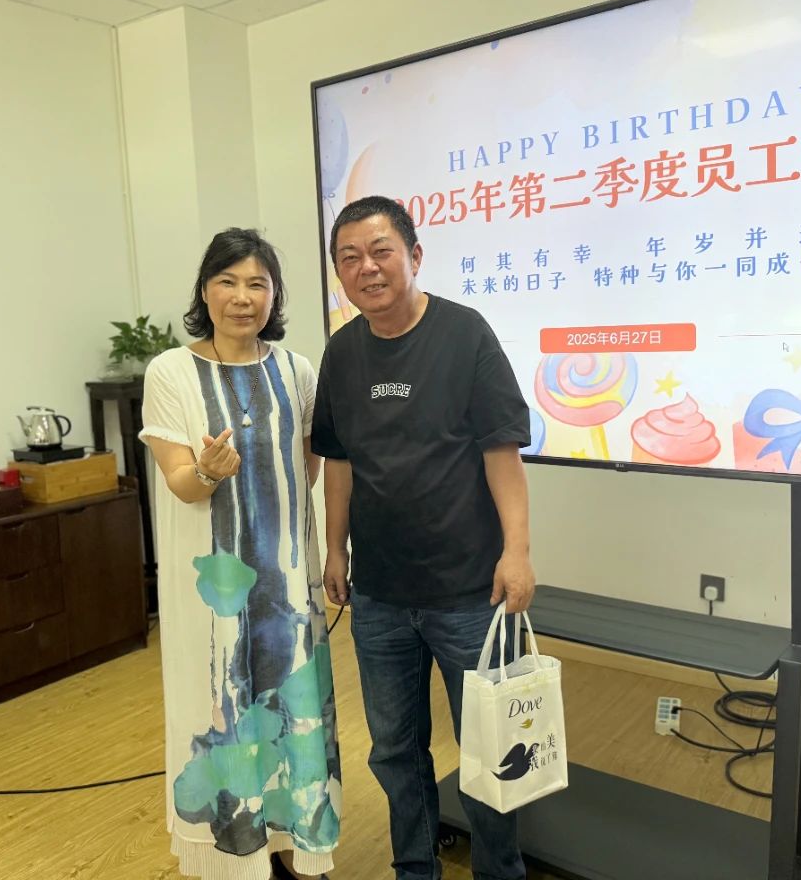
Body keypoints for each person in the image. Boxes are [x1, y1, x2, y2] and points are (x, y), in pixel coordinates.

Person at [310, 196, 535, 880]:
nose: (367, 268)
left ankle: (500, 871)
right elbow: (340, 462)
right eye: (349, 258)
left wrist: (517, 551)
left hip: (469, 591)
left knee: (491, 751)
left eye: (380, 251)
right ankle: (414, 869)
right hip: (380, 595)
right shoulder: (342, 352)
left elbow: (501, 452)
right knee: (394, 750)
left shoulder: (465, 334)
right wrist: (335, 548)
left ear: (414, 255)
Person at [140, 228, 340, 880]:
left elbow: (304, 468)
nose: (242, 297)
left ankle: (294, 847)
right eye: (227, 282)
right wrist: (208, 472)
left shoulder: (296, 370)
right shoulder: (171, 371)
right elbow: (180, 481)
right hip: (215, 593)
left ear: (274, 295)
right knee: (224, 707)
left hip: (287, 581)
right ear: (205, 292)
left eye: (257, 284)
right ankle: (238, 854)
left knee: (294, 709)